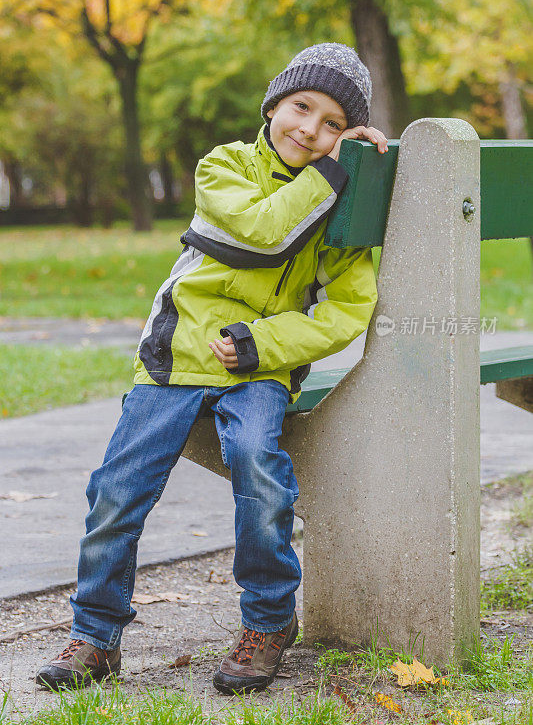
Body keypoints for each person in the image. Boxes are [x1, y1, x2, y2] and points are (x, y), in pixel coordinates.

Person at [36, 42, 386, 695]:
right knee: (117, 490)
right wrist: (332, 174)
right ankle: (95, 633)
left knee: (258, 462)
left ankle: (268, 621)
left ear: (347, 136)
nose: (309, 130)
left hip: (257, 367)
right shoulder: (224, 167)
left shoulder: (344, 207)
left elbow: (347, 309)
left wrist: (263, 344)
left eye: (333, 123)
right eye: (300, 107)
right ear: (273, 104)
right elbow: (261, 236)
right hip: (175, 359)